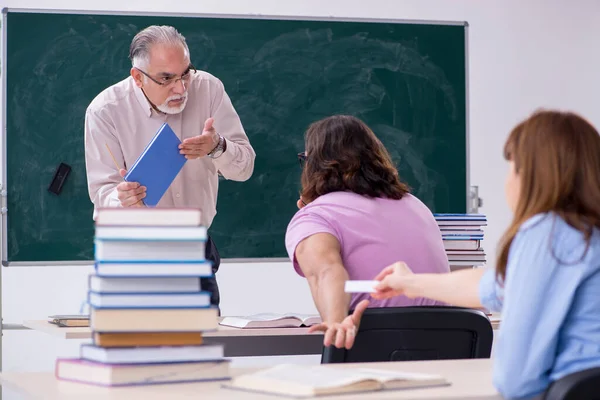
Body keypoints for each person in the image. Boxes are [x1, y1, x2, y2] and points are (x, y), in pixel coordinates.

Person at [372, 109, 600, 399]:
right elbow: (495, 286)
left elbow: (517, 379)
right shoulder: (585, 233)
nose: (508, 181)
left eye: (512, 167)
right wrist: (410, 282)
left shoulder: (548, 233)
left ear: (530, 175)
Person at [84, 25, 256, 307]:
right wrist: (121, 198)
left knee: (200, 347)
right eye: (167, 78)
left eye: (185, 73)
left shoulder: (209, 89)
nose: (181, 88)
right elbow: (102, 197)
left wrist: (217, 147)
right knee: (139, 350)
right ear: (138, 78)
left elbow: (245, 168)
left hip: (195, 249)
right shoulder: (105, 111)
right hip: (132, 255)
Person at [285, 115, 450, 350]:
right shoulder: (416, 205)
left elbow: (326, 272)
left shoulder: (317, 215)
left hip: (374, 352)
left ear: (314, 165)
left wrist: (335, 321)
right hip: (448, 349)